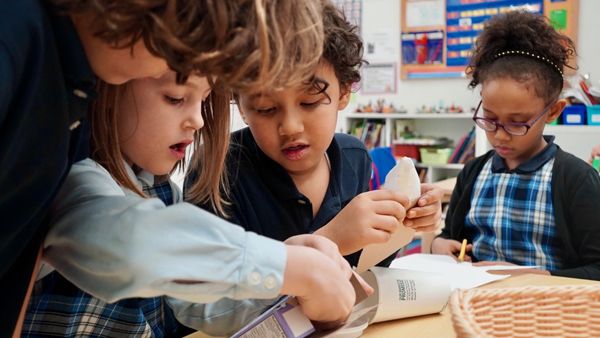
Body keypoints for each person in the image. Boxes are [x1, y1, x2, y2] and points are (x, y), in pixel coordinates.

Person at [1, 0, 328, 335]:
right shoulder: (73, 161)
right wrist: (284, 266)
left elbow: (199, 301)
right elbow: (121, 241)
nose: (199, 120)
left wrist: (285, 275)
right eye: (174, 97)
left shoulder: (155, 187)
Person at [187, 3, 442, 272]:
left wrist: (403, 221)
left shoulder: (353, 157)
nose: (290, 127)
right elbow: (210, 304)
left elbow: (363, 268)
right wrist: (332, 240)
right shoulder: (217, 172)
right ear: (241, 106)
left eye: (309, 102)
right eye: (265, 109)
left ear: (344, 91)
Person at [431, 11, 600, 280]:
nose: (499, 135)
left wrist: (535, 275)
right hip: (475, 308)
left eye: (517, 123)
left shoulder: (576, 180)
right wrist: (438, 244)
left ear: (554, 111)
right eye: (490, 119)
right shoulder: (474, 173)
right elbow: (451, 237)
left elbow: (596, 268)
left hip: (548, 310)